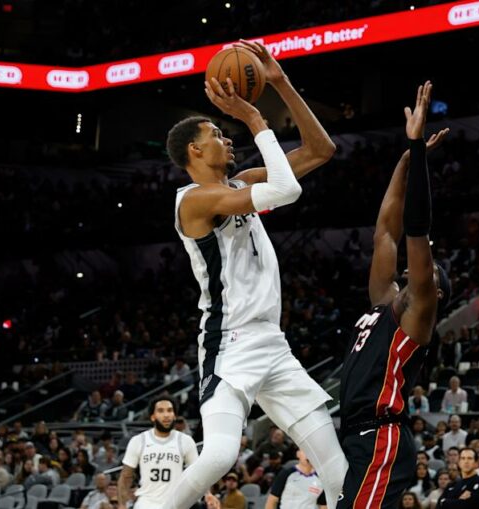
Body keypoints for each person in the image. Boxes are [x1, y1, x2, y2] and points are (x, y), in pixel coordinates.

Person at [166, 39, 343, 509]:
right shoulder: (194, 200)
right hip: (230, 342)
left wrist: (280, 82)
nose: (227, 138)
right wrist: (254, 118)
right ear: (194, 149)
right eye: (215, 133)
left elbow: (321, 149)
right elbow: (287, 190)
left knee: (337, 470)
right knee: (220, 455)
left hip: (273, 343)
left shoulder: (239, 182)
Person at [337, 81, 451, 509]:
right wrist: (404, 161)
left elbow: (416, 229)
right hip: (355, 436)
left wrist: (418, 148)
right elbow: (386, 231)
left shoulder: (419, 311)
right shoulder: (385, 301)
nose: (414, 268)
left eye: (425, 271)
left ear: (435, 290)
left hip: (381, 435)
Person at [119, 397, 207, 509]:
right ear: (153, 416)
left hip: (175, 504)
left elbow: (198, 473)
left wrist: (208, 495)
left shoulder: (186, 441)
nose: (166, 415)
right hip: (145, 504)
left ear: (174, 416)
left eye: (169, 410)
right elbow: (126, 476)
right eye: (161, 411)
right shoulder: (138, 441)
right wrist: (122, 504)